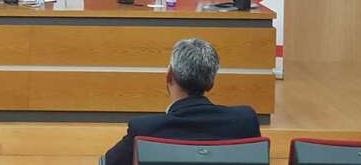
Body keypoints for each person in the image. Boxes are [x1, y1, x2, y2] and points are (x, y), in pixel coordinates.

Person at [103, 38, 261, 165]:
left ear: (169, 76)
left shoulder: (145, 129)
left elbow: (107, 162)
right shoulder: (246, 121)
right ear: (211, 82)